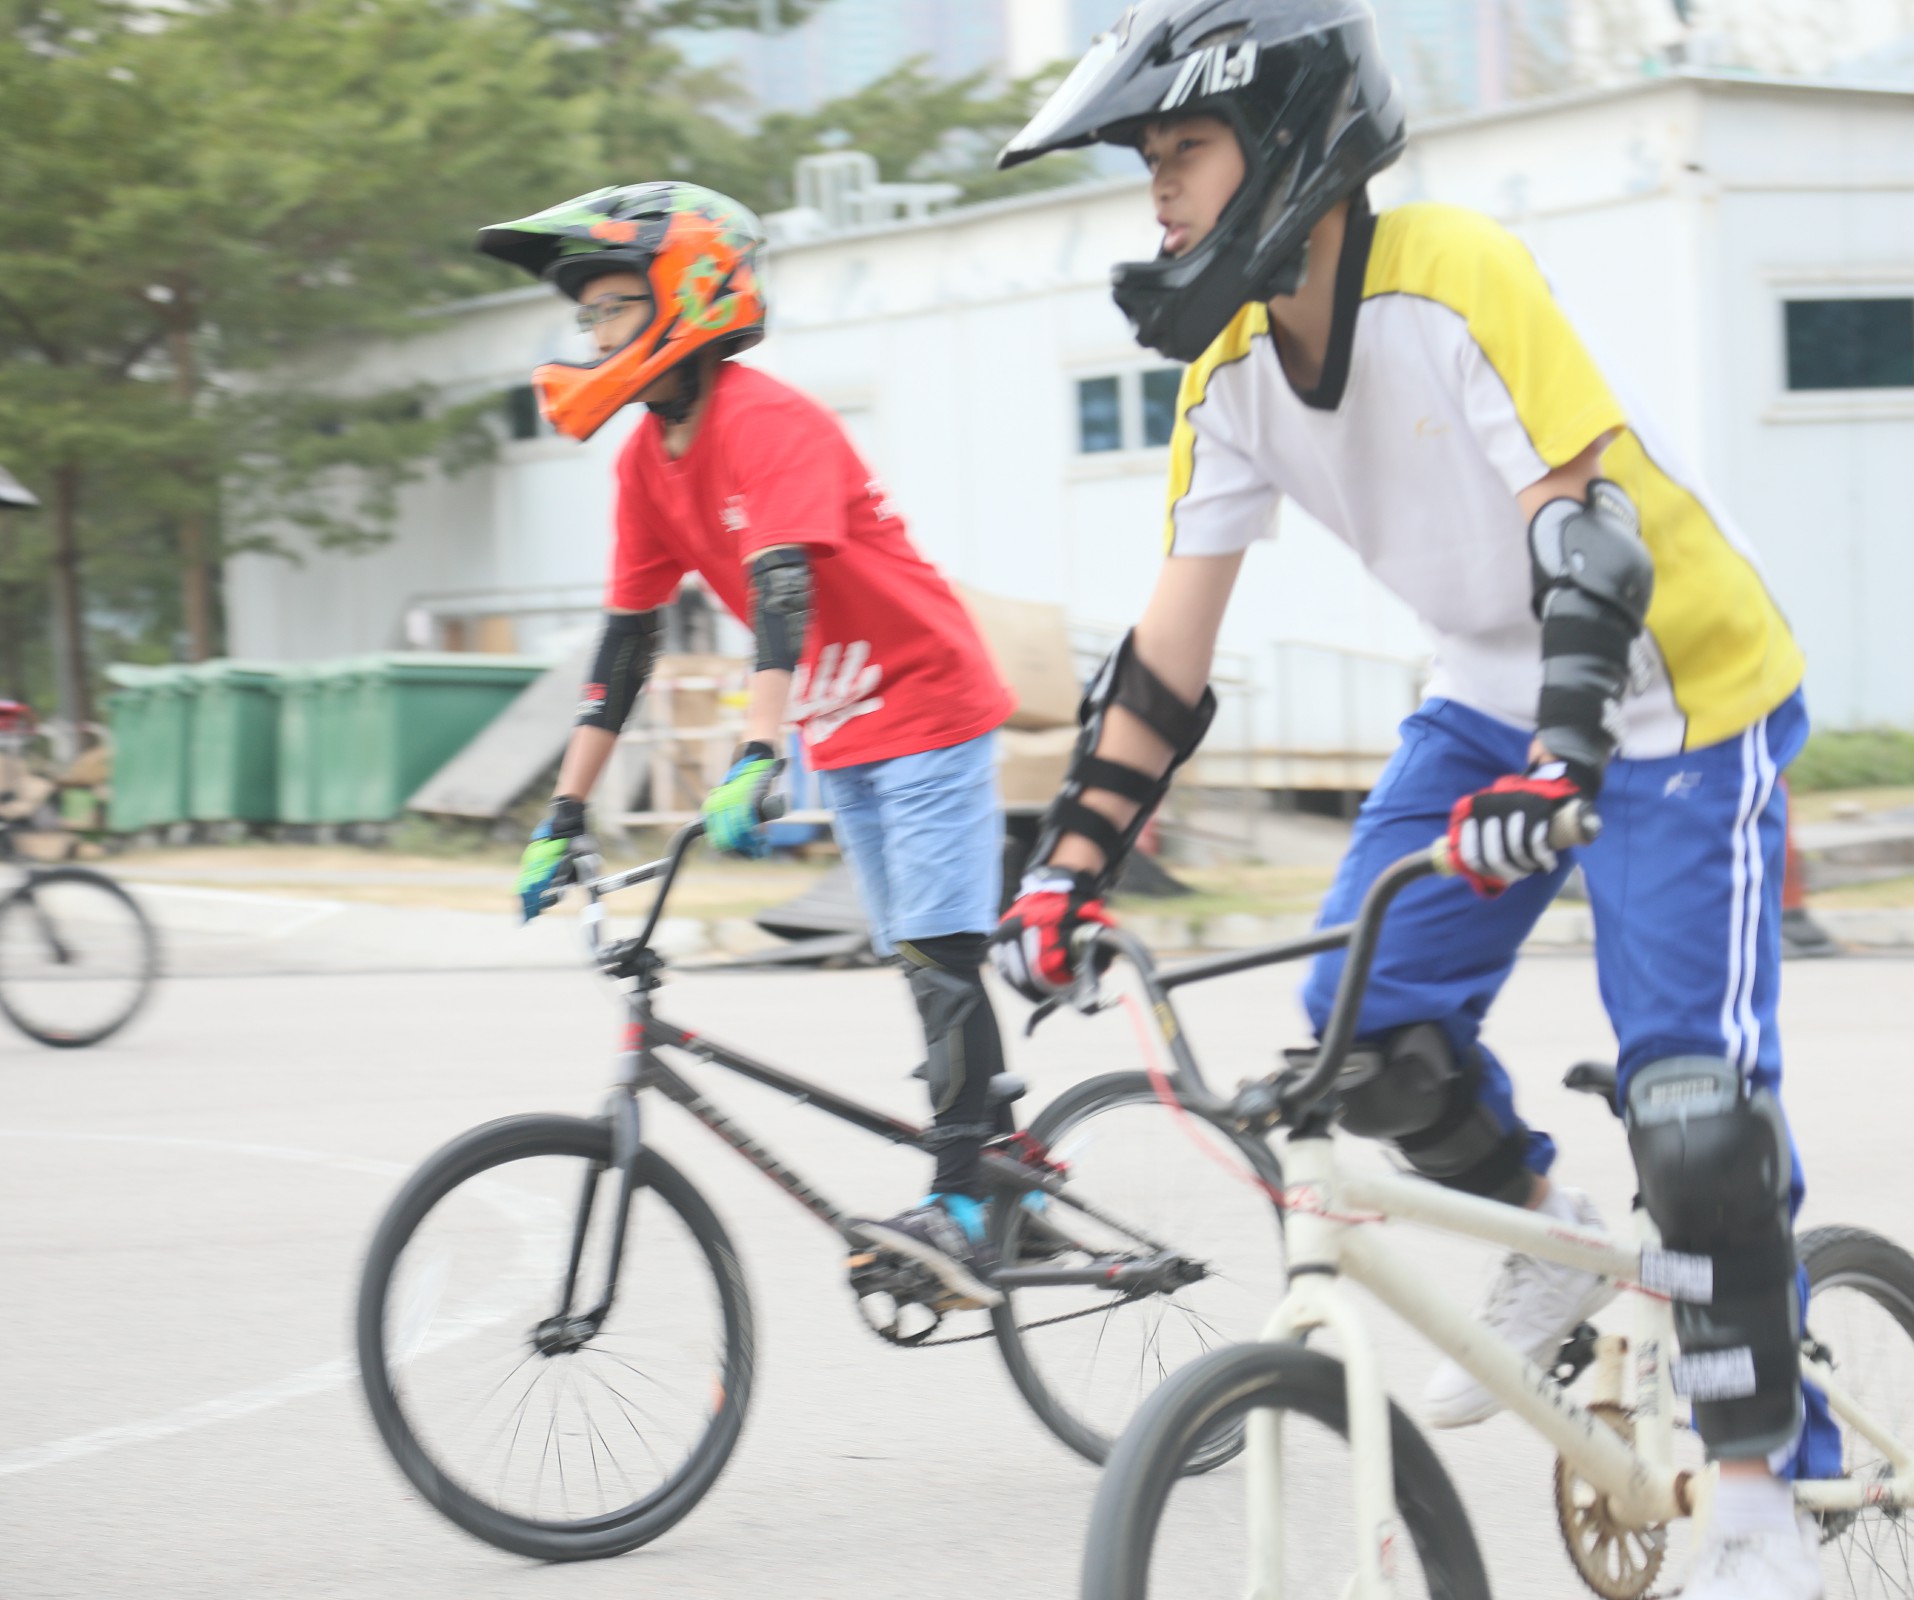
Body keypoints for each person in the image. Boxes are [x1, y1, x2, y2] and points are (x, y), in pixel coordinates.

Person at [991, 5, 1833, 1594]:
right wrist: (1064, 870)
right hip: (1492, 697)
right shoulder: (1230, 371)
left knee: (1692, 1109)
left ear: (1290, 146)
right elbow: (1164, 667)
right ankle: (1544, 1234)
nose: (1158, 189)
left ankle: (1757, 1507)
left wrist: (1566, 766)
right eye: (1148, 159)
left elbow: (1587, 543)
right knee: (1359, 1028)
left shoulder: (1456, 275)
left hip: (1678, 690)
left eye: (1184, 148)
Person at [478, 182, 1021, 1307]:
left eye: (614, 307)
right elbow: (625, 648)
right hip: (845, 724)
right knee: (921, 963)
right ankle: (1007, 1171)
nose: (595, 335)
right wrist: (560, 814)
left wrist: (756, 752)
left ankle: (967, 1206)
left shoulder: (769, 422)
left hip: (928, 701)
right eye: (587, 316)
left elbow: (783, 591)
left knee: (938, 957)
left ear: (685, 296)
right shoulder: (644, 463)